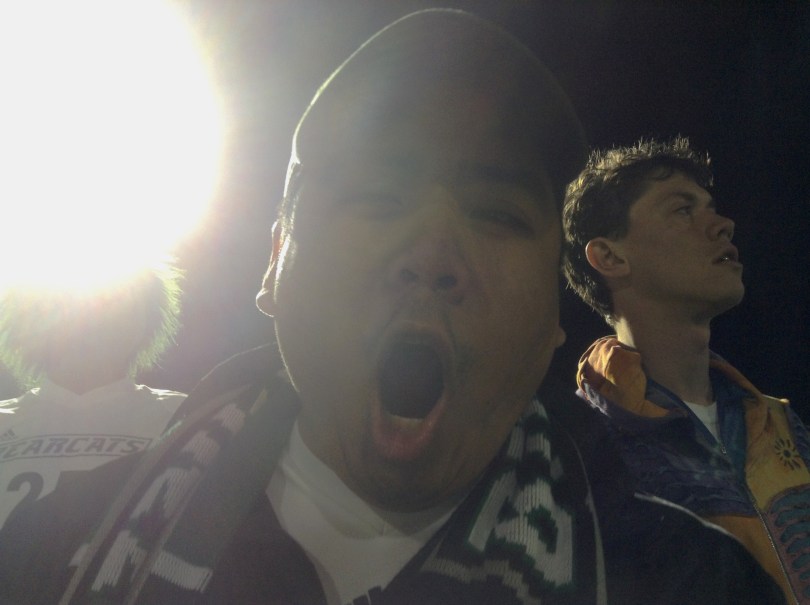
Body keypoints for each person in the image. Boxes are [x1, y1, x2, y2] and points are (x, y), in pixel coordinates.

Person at [0, 12, 785, 605]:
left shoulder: (700, 581)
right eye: (375, 198)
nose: (433, 251)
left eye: (498, 214)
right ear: (274, 262)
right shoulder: (42, 543)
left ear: (555, 313)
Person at [563, 136, 810, 604]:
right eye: (682, 210)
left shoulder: (783, 427)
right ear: (610, 257)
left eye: (710, 208)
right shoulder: (582, 448)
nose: (723, 224)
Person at [0, 261, 186, 528]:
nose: (94, 319)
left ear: (144, 323)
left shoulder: (185, 416)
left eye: (119, 303)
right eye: (68, 306)